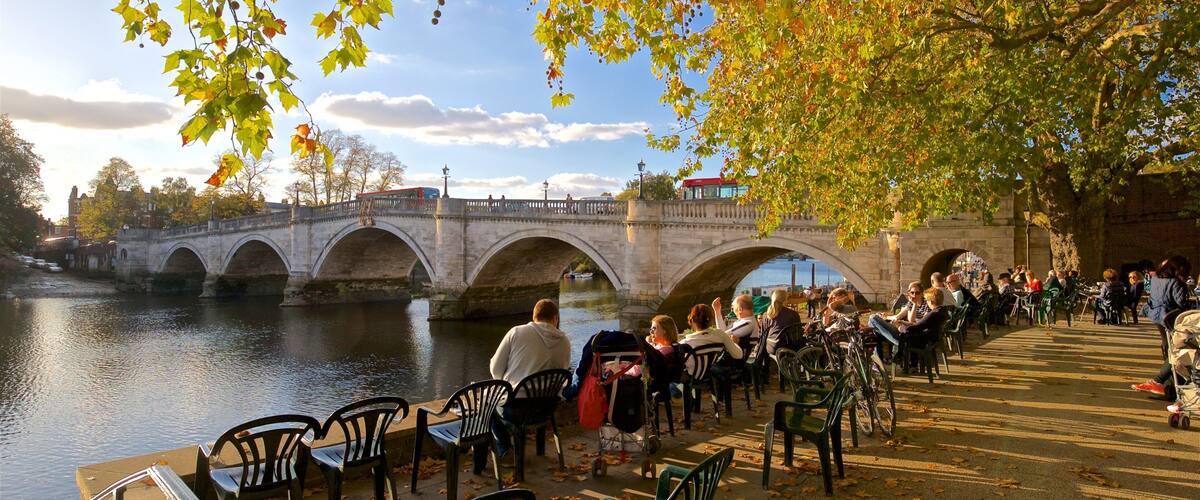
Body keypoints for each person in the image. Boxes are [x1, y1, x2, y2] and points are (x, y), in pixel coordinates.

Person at [488, 299, 572, 458]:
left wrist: (508, 380)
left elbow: (495, 369)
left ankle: (504, 447)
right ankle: (537, 451)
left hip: (517, 410)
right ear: (555, 318)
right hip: (547, 408)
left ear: (534, 317)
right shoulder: (565, 341)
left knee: (487, 404)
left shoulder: (517, 332)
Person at [1132, 256, 1193, 398]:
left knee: (1168, 348)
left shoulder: (1155, 279)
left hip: (1157, 316)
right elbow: (1181, 303)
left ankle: (1167, 387)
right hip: (1171, 318)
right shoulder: (1176, 283)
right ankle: (1161, 383)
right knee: (1178, 350)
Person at [759, 288, 803, 356]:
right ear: (785, 300)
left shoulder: (766, 315)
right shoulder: (792, 314)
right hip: (785, 348)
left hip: (770, 347)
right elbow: (797, 336)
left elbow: (762, 334)